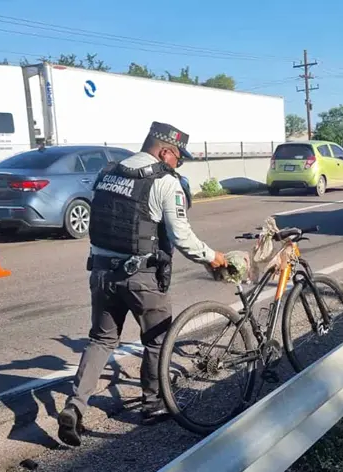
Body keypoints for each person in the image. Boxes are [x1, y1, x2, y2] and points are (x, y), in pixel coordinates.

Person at [57, 121, 228, 447]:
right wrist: (213, 257)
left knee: (101, 340)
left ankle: (75, 406)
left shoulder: (107, 174)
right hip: (142, 277)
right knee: (158, 339)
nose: (178, 164)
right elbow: (182, 237)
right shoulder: (164, 182)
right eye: (178, 157)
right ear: (164, 152)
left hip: (101, 273)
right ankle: (153, 404)